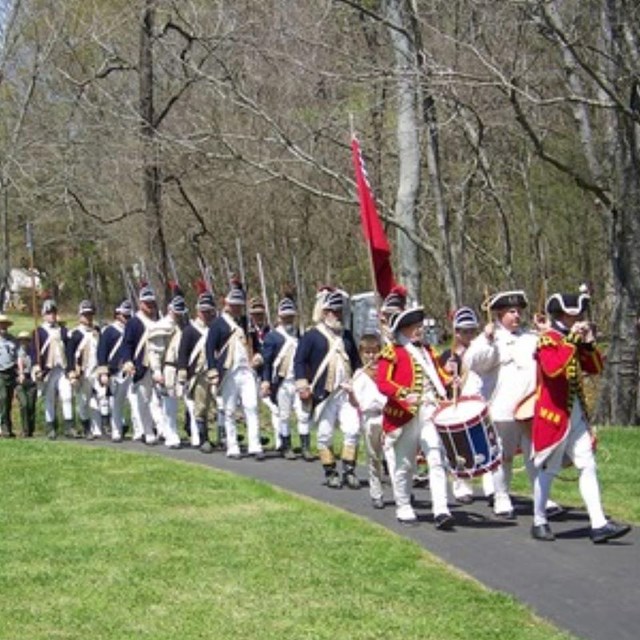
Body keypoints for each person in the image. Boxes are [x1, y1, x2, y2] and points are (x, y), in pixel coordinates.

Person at [530, 292, 631, 543]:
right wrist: (573, 340)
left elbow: (596, 367)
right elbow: (552, 369)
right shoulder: (548, 339)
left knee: (588, 464)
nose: (581, 317)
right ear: (564, 315)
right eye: (576, 314)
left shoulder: (570, 340)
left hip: (576, 413)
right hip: (553, 415)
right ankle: (539, 520)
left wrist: (587, 344)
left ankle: (598, 524)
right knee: (549, 469)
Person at [464, 290, 557, 520]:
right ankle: (501, 497)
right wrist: (487, 340)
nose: (516, 316)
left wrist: (547, 330)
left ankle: (542, 496)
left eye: (519, 311)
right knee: (502, 456)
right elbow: (474, 362)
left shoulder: (531, 337)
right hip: (502, 407)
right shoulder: (488, 339)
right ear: (499, 314)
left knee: (536, 455)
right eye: (511, 312)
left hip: (530, 407)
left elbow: (553, 355)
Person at [377, 306, 455, 529]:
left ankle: (440, 509)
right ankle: (403, 505)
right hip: (405, 413)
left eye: (420, 326)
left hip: (430, 409)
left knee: (436, 456)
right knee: (404, 463)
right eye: (415, 327)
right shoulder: (393, 352)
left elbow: (440, 378)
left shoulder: (429, 352)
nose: (420, 330)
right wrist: (403, 394)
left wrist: (451, 379)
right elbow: (383, 382)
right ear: (404, 330)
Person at [294, 289, 362, 488]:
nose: (337, 314)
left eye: (340, 311)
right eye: (333, 311)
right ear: (325, 312)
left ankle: (349, 470)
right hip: (324, 394)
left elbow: (356, 362)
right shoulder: (311, 336)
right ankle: (330, 471)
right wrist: (302, 385)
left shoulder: (347, 336)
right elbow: (299, 362)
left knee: (352, 430)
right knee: (325, 434)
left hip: (346, 392)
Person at [438, 306, 494, 505]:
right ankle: (462, 485)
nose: (469, 334)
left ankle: (491, 487)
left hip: (482, 403)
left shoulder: (481, 351)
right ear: (456, 332)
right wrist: (448, 376)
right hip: (460, 405)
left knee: (487, 445)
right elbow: (440, 384)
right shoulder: (448, 356)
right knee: (461, 448)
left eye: (472, 330)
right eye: (464, 331)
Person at [206, 283, 265, 460]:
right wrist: (212, 371)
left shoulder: (246, 322)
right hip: (228, 371)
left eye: (240, 305)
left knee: (252, 407)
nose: (237, 308)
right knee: (230, 410)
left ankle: (255, 445)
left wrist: (257, 356)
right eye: (234, 305)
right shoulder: (217, 324)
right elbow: (210, 348)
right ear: (227, 304)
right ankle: (232, 445)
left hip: (246, 370)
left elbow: (255, 342)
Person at [260, 297, 312, 461]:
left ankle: (305, 447)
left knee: (303, 415)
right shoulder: (272, 337)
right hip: (282, 382)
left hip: (299, 381)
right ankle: (286, 446)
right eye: (285, 316)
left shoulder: (301, 336)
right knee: (284, 415)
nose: (288, 319)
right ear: (279, 317)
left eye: (291, 316)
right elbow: (267, 363)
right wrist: (266, 381)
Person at [351, 329, 387, 509]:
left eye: (375, 351)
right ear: (361, 353)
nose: (371, 356)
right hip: (370, 418)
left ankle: (403, 490)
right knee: (374, 457)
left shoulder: (386, 370)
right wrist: (350, 393)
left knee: (394, 455)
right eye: (367, 352)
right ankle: (376, 492)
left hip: (388, 416)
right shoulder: (359, 375)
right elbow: (355, 402)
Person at [147, 290, 188, 449]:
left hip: (180, 368)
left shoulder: (182, 325)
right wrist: (157, 371)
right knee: (169, 403)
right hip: (168, 368)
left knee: (179, 403)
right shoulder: (162, 326)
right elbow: (154, 351)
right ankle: (171, 434)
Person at [177, 290, 217, 453]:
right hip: (198, 373)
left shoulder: (216, 328)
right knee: (200, 407)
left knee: (219, 406)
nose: (206, 314)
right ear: (197, 310)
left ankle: (221, 436)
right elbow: (183, 353)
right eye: (203, 310)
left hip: (214, 372)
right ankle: (203, 438)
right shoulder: (189, 330)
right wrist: (182, 372)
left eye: (208, 311)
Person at [121, 284, 160, 445]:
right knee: (143, 400)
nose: (149, 306)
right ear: (140, 303)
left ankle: (161, 428)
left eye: (151, 303)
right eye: (146, 303)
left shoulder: (157, 321)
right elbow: (127, 344)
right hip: (142, 365)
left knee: (158, 400)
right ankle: (147, 430)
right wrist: (129, 361)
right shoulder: (134, 322)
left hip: (157, 365)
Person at [31, 299, 75, 439]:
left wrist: (71, 368)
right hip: (47, 370)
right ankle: (50, 427)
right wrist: (37, 367)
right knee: (49, 399)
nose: (52, 315)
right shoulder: (38, 332)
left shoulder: (63, 331)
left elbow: (69, 351)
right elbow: (34, 352)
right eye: (49, 313)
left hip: (62, 369)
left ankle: (69, 427)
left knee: (67, 396)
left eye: (53, 312)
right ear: (44, 315)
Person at [96, 300, 133, 443]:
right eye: (124, 315)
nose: (127, 318)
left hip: (130, 370)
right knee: (116, 403)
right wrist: (103, 372)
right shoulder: (109, 331)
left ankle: (139, 431)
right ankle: (116, 431)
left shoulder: (132, 329)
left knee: (135, 402)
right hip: (115, 371)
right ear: (118, 315)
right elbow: (102, 353)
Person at [66, 300, 102, 439]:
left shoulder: (97, 331)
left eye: (90, 314)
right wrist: (72, 373)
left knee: (102, 398)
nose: (88, 317)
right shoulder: (74, 334)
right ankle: (87, 428)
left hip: (97, 370)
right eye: (85, 314)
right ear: (80, 316)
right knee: (83, 400)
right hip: (82, 372)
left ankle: (100, 427)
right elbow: (70, 355)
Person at [16, 330, 37, 438]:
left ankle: (30, 430)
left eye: (26, 340)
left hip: (31, 379)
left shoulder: (33, 353)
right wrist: (20, 373)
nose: (24, 342)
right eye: (22, 340)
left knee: (31, 405)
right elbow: (18, 362)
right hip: (20, 380)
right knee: (24, 404)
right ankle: (25, 430)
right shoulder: (16, 352)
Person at [0, 314, 18, 437]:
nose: (3, 327)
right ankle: (3, 426)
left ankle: (8, 427)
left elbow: (18, 355)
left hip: (10, 372)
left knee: (8, 400)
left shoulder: (12, 340)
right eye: (1, 324)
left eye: (5, 324)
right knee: (3, 398)